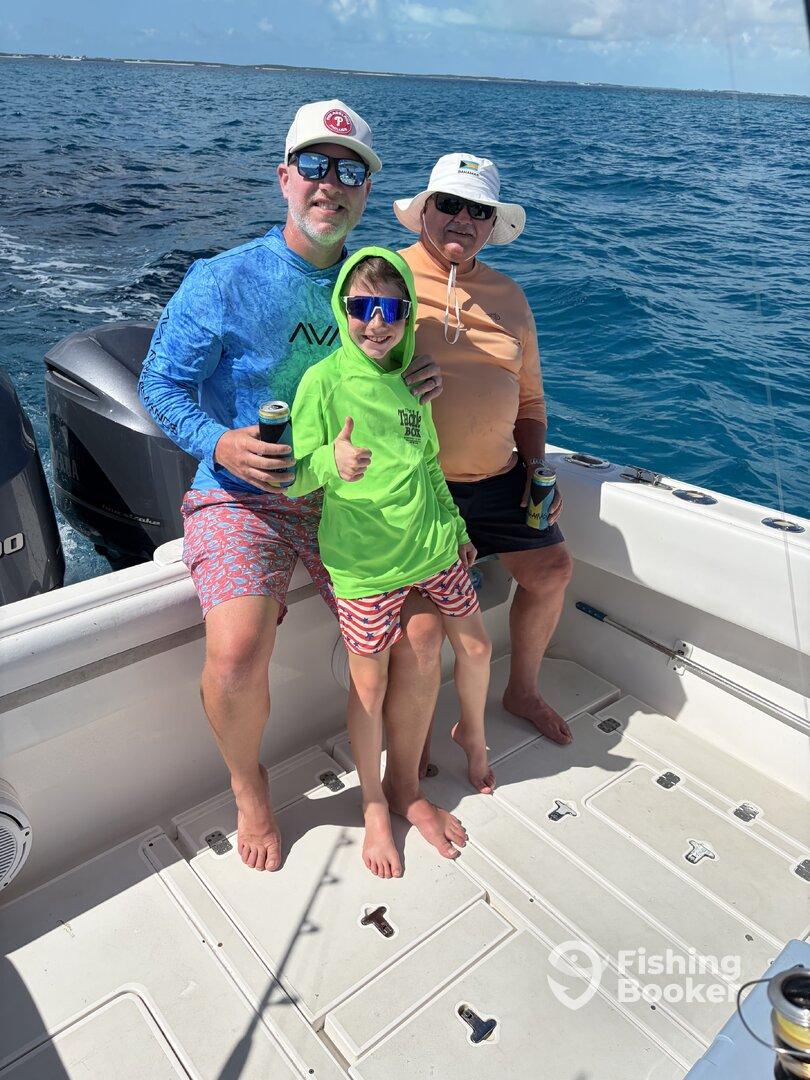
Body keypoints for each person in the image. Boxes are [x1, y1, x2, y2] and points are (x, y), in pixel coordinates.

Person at [138, 100, 456, 872]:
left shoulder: (380, 279)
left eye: (350, 172)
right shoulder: (221, 280)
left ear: (366, 194)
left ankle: (405, 784)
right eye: (313, 166)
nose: (329, 184)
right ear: (285, 178)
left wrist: (413, 372)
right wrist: (220, 440)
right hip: (241, 498)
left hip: (347, 497)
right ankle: (250, 787)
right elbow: (160, 382)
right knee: (238, 655)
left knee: (421, 636)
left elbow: (393, 361)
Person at [286, 248, 494, 878]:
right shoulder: (321, 382)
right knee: (370, 687)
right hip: (364, 565)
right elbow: (292, 477)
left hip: (432, 545)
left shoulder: (412, 381)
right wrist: (331, 464)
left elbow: (429, 462)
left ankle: (473, 737)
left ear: (408, 313)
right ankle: (376, 801)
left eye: (391, 309)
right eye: (360, 308)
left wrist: (456, 525)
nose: (375, 324)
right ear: (341, 310)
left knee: (478, 649)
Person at [395, 153, 575, 749]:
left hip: (500, 478)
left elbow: (531, 403)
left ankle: (521, 690)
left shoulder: (509, 295)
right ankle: (414, 736)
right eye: (449, 203)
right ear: (425, 210)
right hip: (419, 485)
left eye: (478, 210)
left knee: (552, 570)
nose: (462, 219)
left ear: (491, 225)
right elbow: (347, 374)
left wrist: (534, 471)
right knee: (423, 622)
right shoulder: (386, 278)